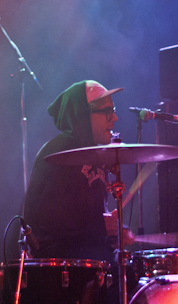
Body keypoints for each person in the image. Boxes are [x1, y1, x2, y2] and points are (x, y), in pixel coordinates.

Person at [23, 80, 134, 262]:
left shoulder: (96, 153)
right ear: (84, 115)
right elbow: (47, 219)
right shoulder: (58, 152)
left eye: (113, 110)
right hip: (60, 260)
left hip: (90, 255)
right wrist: (101, 226)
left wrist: (114, 231)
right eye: (107, 111)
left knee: (131, 269)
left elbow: (92, 217)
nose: (114, 118)